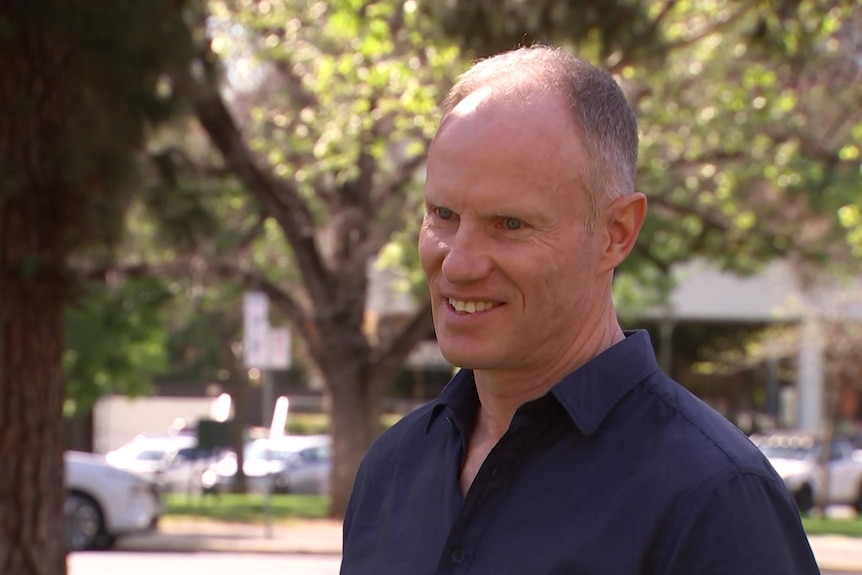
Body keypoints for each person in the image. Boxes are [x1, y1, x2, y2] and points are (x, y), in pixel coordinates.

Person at [341, 44, 820, 574]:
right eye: (444, 214)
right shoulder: (392, 470)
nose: (458, 264)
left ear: (616, 234)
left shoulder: (713, 497)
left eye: (510, 224)